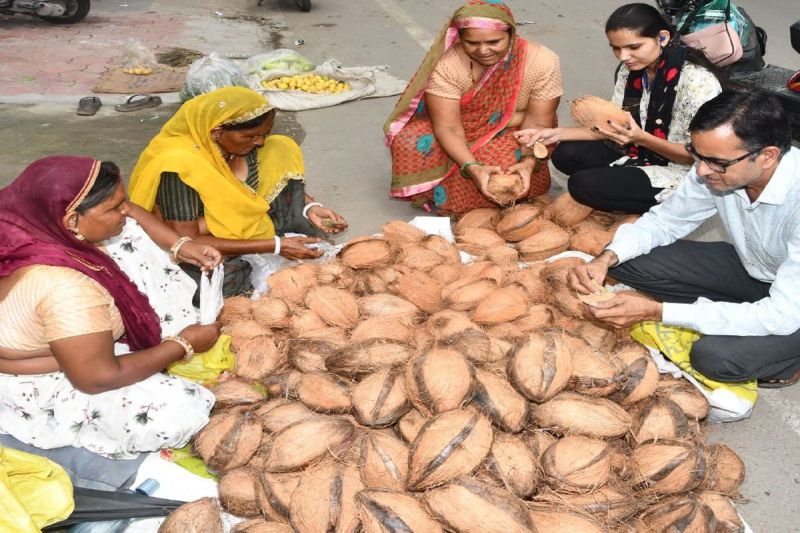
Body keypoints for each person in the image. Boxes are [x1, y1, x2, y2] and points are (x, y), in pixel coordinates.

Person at [570, 89, 800, 388]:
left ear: (767, 155)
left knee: (714, 358)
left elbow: (780, 314)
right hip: (760, 268)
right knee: (624, 259)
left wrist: (659, 312)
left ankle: (790, 358)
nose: (701, 170)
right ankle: (738, 310)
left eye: (716, 162)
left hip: (791, 306)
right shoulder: (715, 165)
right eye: (696, 155)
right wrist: (606, 258)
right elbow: (666, 221)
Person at [0, 156, 223, 458]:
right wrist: (183, 344)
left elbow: (131, 212)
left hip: (41, 349)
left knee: (128, 233)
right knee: (177, 409)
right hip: (31, 387)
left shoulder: (25, 220)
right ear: (72, 221)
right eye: (114, 208)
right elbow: (96, 378)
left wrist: (181, 245)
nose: (125, 211)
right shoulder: (68, 287)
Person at [128, 86, 348, 298]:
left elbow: (272, 188)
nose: (260, 141)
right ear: (216, 132)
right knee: (213, 280)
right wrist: (274, 246)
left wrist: (309, 206)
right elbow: (188, 240)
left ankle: (280, 243)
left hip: (232, 230)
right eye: (251, 136)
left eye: (264, 133)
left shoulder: (246, 148)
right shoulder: (179, 166)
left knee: (279, 149)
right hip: (197, 246)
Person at [516, 3, 722, 214]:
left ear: (662, 38)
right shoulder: (630, 70)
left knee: (583, 185)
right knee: (565, 153)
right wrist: (556, 133)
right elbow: (613, 126)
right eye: (616, 48)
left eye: (634, 47)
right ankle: (628, 193)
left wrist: (641, 138)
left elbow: (702, 156)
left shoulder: (697, 82)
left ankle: (664, 211)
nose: (623, 57)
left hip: (688, 171)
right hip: (641, 150)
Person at [384, 0, 562, 215]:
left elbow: (538, 123)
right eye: (472, 43)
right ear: (460, 38)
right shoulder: (448, 66)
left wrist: (528, 161)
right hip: (459, 127)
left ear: (511, 34)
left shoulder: (542, 61)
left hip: (520, 130)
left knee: (503, 172)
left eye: (494, 42)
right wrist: (472, 167)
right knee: (410, 139)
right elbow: (448, 128)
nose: (483, 50)